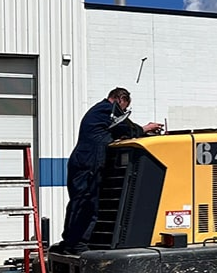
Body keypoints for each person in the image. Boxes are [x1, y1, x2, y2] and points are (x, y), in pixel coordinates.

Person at [52, 87, 163, 254]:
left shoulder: (98, 112)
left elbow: (116, 130)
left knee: (77, 203)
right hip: (89, 163)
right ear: (120, 100)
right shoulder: (108, 109)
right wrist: (146, 129)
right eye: (124, 109)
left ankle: (69, 241)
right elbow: (127, 128)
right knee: (87, 204)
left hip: (82, 161)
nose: (123, 111)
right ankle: (77, 245)